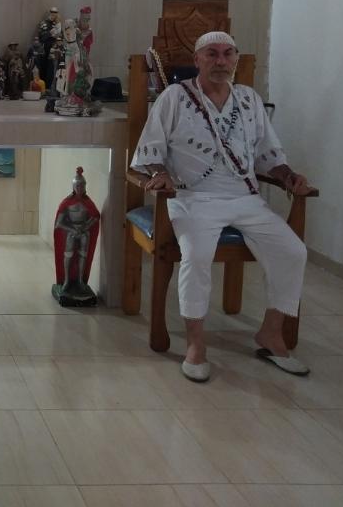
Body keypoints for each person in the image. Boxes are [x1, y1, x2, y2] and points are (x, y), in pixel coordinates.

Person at [132, 31, 314, 383]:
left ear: (236, 60)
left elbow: (268, 155)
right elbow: (149, 151)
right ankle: (196, 345)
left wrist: (289, 176)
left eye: (228, 54)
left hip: (245, 199)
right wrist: (160, 174)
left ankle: (271, 334)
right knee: (197, 255)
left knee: (293, 251)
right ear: (197, 60)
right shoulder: (175, 97)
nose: (220, 61)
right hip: (192, 199)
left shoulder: (248, 99)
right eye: (212, 54)